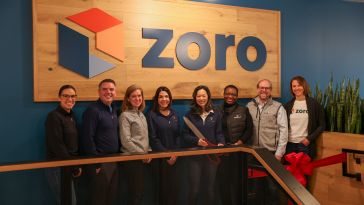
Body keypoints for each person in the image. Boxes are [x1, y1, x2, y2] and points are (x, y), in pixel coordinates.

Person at [246, 79, 288, 205]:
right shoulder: (249, 106)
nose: (264, 90)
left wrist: (279, 153)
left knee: (272, 187)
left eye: (267, 88)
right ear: (257, 89)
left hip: (271, 153)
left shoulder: (278, 107)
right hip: (253, 153)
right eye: (261, 87)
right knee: (255, 187)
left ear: (270, 90)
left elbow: (284, 131)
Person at [80, 79, 120, 205]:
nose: (108, 92)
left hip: (113, 160)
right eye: (104, 89)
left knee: (111, 197)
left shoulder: (113, 109)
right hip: (100, 163)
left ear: (115, 92)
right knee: (99, 199)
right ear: (98, 92)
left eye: (111, 89)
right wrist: (96, 163)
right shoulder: (93, 110)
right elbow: (87, 137)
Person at [183, 85, 225, 205]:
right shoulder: (189, 115)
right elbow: (184, 136)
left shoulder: (216, 113)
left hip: (211, 157)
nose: (201, 98)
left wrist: (221, 143)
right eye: (198, 96)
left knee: (210, 189)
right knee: (194, 190)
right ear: (195, 97)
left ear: (208, 97)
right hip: (194, 158)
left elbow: (219, 133)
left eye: (203, 95)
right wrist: (196, 141)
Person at [45, 85, 81, 205]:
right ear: (59, 98)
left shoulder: (72, 116)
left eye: (72, 96)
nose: (69, 99)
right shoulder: (54, 117)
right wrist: (73, 166)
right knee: (69, 202)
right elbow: (57, 146)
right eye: (65, 96)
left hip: (68, 166)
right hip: (58, 167)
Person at [216, 84, 253, 205]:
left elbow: (249, 130)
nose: (230, 96)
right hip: (222, 154)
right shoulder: (216, 110)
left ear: (237, 96)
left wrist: (239, 143)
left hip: (239, 154)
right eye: (228, 93)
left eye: (233, 94)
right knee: (223, 184)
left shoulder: (243, 110)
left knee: (238, 183)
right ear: (223, 94)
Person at [147, 86, 180, 205]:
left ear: (170, 99)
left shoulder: (175, 114)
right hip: (160, 159)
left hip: (175, 159)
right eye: (160, 97)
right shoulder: (151, 114)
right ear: (156, 99)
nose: (164, 99)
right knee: (162, 191)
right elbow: (153, 138)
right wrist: (167, 155)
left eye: (166, 96)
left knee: (174, 190)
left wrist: (175, 154)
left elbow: (177, 136)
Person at [119, 84, 151, 205]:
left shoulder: (141, 114)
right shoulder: (124, 116)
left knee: (140, 193)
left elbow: (144, 138)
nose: (137, 98)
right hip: (132, 159)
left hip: (143, 159)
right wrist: (141, 155)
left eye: (139, 96)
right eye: (134, 96)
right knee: (134, 194)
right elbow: (126, 141)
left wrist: (148, 152)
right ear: (128, 98)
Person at [284, 76, 325, 159]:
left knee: (304, 171)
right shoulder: (288, 105)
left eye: (299, 85)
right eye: (294, 86)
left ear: (304, 86)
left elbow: (322, 125)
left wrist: (309, 139)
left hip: (304, 145)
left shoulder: (314, 104)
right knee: (288, 171)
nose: (296, 88)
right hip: (289, 145)